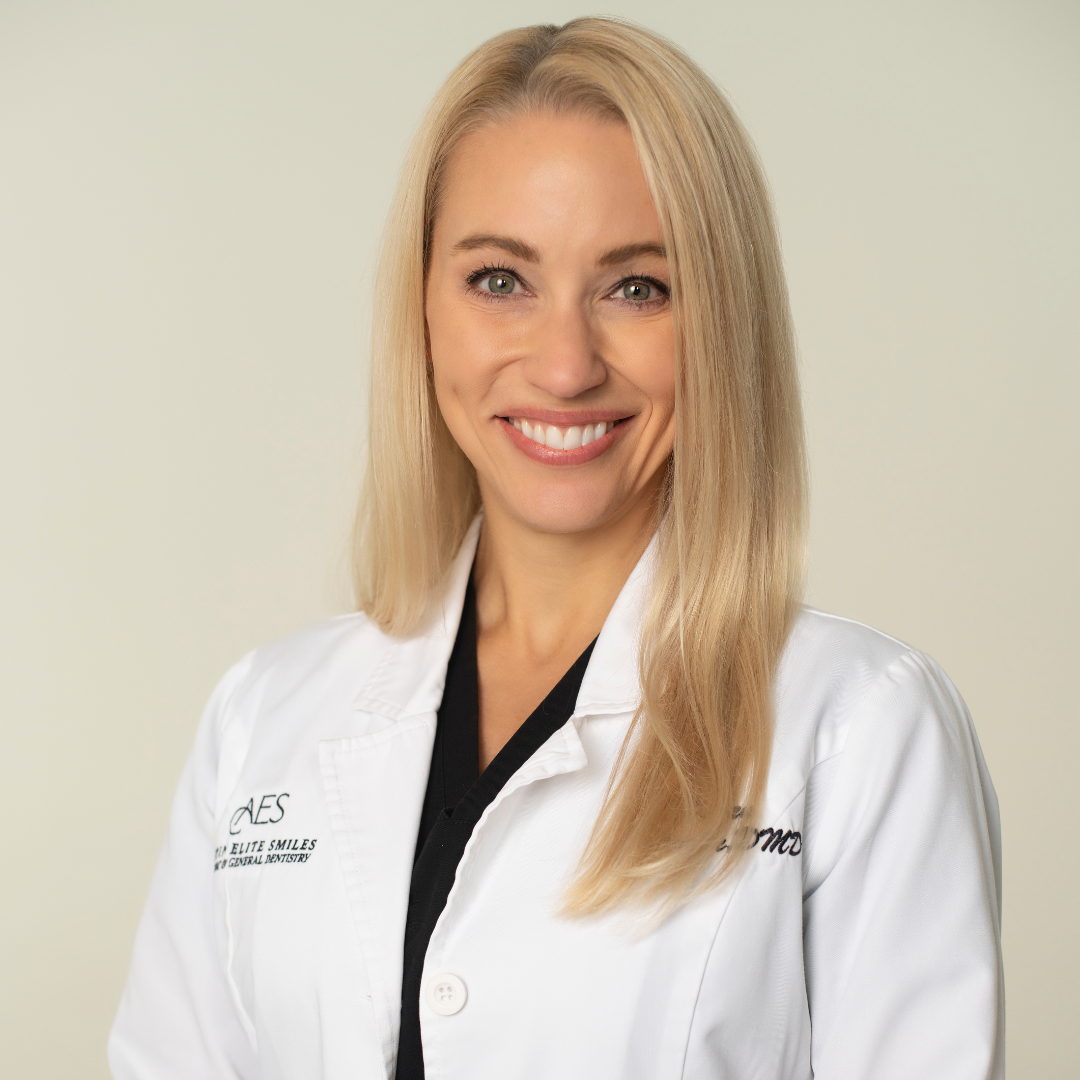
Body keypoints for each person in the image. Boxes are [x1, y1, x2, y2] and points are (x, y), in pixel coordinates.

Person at [108, 17, 1004, 1080]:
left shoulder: (858, 726)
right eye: (500, 279)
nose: (567, 364)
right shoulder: (263, 716)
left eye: (638, 287)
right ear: (425, 309)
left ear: (721, 320)